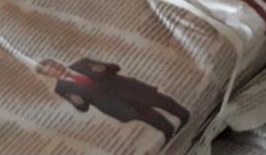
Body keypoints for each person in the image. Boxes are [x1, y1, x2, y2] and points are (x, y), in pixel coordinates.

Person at [36, 57, 189, 142]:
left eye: (54, 64)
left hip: (129, 89)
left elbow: (115, 67)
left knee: (162, 102)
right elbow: (83, 108)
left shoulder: (82, 63)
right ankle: (171, 133)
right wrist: (77, 101)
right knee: (150, 117)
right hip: (116, 105)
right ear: (48, 75)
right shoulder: (61, 88)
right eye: (51, 69)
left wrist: (102, 68)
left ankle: (185, 116)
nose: (56, 68)